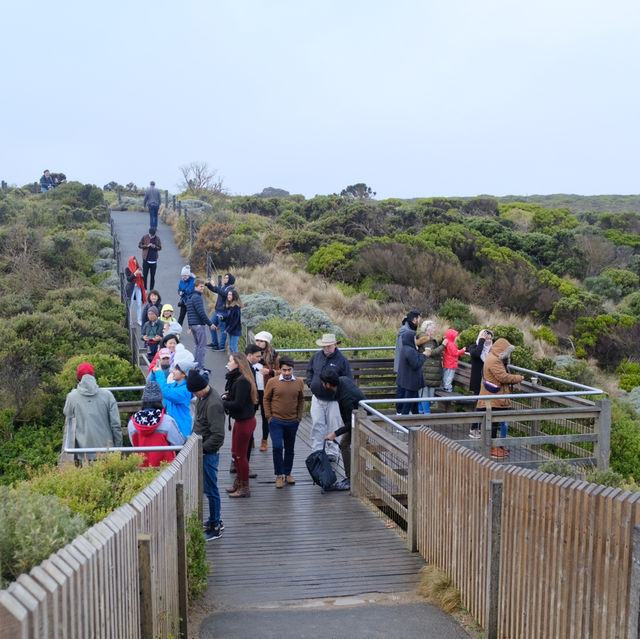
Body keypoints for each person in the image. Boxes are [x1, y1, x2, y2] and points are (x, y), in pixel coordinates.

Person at [187, 369, 226, 541]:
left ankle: (215, 525)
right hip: (203, 449)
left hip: (208, 453)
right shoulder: (203, 398)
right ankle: (213, 519)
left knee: (211, 489)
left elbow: (218, 435)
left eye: (195, 391)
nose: (194, 395)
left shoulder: (213, 404)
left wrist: (201, 450)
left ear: (202, 388)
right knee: (209, 488)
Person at [305, 333, 353, 460]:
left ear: (335, 345)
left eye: (329, 346)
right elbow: (309, 370)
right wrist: (310, 383)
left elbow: (348, 379)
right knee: (317, 424)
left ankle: (332, 452)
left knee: (334, 425)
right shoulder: (316, 357)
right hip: (317, 397)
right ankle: (316, 450)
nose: (326, 348)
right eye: (324, 346)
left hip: (334, 400)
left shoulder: (342, 360)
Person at [63, 363, 122, 461]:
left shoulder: (72, 397)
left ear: (78, 378)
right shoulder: (107, 395)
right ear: (93, 375)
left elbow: (67, 413)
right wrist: (118, 448)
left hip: (84, 451)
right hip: (107, 450)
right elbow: (116, 425)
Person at [476, 338, 524, 458]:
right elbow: (503, 377)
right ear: (502, 350)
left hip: (493, 397)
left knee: (494, 423)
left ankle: (495, 447)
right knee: (493, 424)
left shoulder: (492, 357)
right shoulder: (494, 360)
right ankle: (493, 448)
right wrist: (519, 378)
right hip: (493, 397)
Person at [263, 356, 305, 488]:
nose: (286, 373)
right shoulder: (272, 382)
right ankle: (279, 475)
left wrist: (299, 417)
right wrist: (269, 417)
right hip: (276, 421)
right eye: (284, 370)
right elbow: (266, 399)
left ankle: (288, 473)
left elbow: (301, 400)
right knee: (277, 447)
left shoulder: (299, 382)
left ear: (293, 369)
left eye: (289, 370)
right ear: (279, 369)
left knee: (290, 448)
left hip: (293, 421)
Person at [321, 369, 365, 491]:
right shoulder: (343, 380)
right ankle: (379, 468)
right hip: (361, 415)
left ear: (328, 384)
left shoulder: (346, 398)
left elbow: (351, 423)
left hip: (362, 420)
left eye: (323, 382)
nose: (322, 385)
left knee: (344, 444)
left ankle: (351, 479)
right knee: (365, 443)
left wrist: (334, 434)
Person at [222, 353, 258, 498]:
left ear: (238, 364)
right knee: (236, 454)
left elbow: (238, 404)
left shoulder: (242, 381)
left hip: (245, 422)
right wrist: (228, 396)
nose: (228, 363)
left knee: (240, 455)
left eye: (230, 361)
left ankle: (244, 487)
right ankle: (239, 482)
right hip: (241, 421)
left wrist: (223, 403)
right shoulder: (239, 379)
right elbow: (237, 399)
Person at [127, 381, 185, 467]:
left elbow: (134, 444)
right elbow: (179, 443)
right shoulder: (167, 420)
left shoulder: (132, 422)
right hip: (166, 470)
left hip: (141, 469)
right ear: (160, 400)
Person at [150, 358, 194, 438]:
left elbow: (166, 392)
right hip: (171, 429)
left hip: (181, 430)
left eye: (176, 369)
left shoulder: (185, 390)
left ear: (184, 374)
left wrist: (160, 373)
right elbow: (154, 386)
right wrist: (154, 373)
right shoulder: (174, 385)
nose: (173, 371)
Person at [254, 331, 280, 451]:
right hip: (253, 389)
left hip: (266, 390)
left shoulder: (274, 356)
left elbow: (281, 371)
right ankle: (251, 439)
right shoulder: (251, 353)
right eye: (257, 340)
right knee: (250, 415)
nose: (259, 343)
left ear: (266, 343)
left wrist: (270, 372)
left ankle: (264, 440)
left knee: (266, 416)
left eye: (261, 341)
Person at [416, 320, 447, 414]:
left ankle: (421, 414)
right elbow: (431, 352)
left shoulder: (426, 338)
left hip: (428, 369)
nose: (435, 330)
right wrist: (443, 345)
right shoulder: (426, 338)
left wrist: (441, 341)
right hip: (428, 369)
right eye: (433, 328)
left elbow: (431, 347)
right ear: (428, 329)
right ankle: (427, 416)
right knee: (425, 395)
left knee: (424, 395)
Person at [468, 329, 493, 438]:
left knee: (488, 406)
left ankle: (484, 429)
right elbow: (477, 354)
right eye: (485, 338)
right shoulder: (474, 347)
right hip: (478, 382)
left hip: (490, 382)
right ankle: (474, 428)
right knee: (479, 404)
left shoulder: (493, 350)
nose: (488, 340)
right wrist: (482, 341)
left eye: (490, 338)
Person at [393, 311, 421, 413]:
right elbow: (404, 350)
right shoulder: (405, 332)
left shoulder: (408, 329)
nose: (419, 321)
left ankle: (408, 412)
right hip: (404, 367)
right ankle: (400, 412)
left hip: (406, 366)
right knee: (402, 389)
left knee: (408, 390)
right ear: (414, 319)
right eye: (418, 319)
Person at [396, 331, 427, 415]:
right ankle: (402, 425)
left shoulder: (405, 348)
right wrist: (424, 355)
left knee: (414, 404)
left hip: (408, 381)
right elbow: (416, 364)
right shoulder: (410, 350)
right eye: (414, 337)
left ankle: (416, 421)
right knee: (408, 405)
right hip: (411, 382)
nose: (415, 339)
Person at [186, 279, 215, 369]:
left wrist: (189, 325)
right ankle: (200, 367)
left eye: (203, 286)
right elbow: (201, 312)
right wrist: (210, 324)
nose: (202, 288)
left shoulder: (190, 297)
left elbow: (190, 312)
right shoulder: (197, 297)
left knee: (198, 346)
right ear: (195, 287)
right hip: (198, 325)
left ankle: (196, 365)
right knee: (202, 347)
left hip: (193, 325)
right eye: (200, 286)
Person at [205, 273, 235, 350]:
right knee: (211, 326)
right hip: (217, 310)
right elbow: (216, 290)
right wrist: (209, 284)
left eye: (226, 278)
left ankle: (221, 347)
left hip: (223, 312)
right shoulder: (224, 286)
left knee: (222, 330)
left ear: (230, 279)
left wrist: (215, 286)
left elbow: (224, 294)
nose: (224, 279)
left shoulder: (230, 288)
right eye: (224, 278)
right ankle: (215, 343)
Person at [125, 256, 146, 325]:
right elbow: (128, 279)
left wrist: (142, 275)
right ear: (130, 261)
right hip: (131, 287)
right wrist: (135, 274)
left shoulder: (138, 267)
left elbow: (143, 279)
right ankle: (130, 320)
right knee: (130, 304)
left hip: (138, 286)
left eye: (135, 260)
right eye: (133, 261)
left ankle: (139, 320)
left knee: (139, 303)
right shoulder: (127, 269)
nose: (134, 262)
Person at [220, 289, 242, 354]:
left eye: (230, 295)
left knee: (233, 347)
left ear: (234, 296)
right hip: (230, 330)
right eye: (228, 294)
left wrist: (227, 329)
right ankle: (233, 361)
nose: (228, 296)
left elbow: (235, 321)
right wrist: (223, 318)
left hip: (235, 330)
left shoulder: (236, 307)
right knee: (230, 347)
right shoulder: (230, 306)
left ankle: (237, 362)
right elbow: (229, 318)